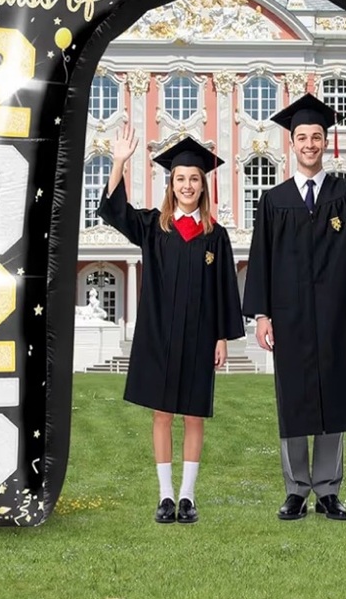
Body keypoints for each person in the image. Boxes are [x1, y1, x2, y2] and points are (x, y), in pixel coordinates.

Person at [242, 93, 346, 521]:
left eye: (317, 136)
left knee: (333, 398)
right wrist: (262, 315)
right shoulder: (274, 201)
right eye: (302, 137)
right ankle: (296, 490)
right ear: (292, 144)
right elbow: (260, 258)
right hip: (290, 317)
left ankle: (328, 491)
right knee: (294, 400)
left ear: (325, 141)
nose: (310, 144)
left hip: (337, 316)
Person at [99, 126, 244, 524]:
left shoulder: (216, 236)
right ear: (171, 183)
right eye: (180, 178)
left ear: (203, 185)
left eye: (194, 179)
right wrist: (119, 162)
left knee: (194, 415)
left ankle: (187, 496)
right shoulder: (153, 227)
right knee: (162, 414)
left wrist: (222, 337)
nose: (187, 185)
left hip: (200, 336)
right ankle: (164, 496)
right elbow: (114, 212)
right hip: (160, 335)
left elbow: (224, 289)